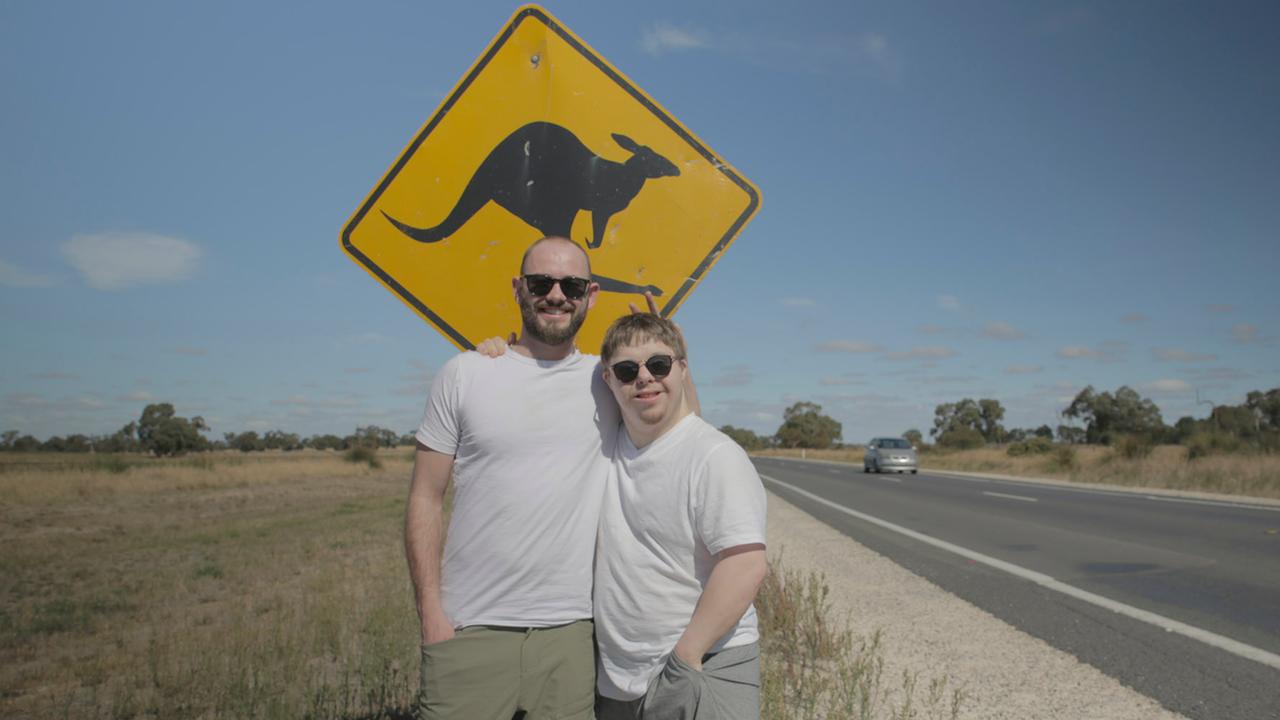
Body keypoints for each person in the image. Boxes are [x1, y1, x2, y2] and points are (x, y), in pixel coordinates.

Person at [404, 235, 618, 720]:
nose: (557, 294)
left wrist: (674, 350)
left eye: (572, 284)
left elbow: (676, 428)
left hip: (571, 634)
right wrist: (431, 613)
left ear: (591, 294)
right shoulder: (465, 373)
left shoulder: (609, 382)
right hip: (469, 628)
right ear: (519, 289)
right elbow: (424, 496)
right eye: (542, 282)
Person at [593, 313, 768, 720]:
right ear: (609, 380)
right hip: (619, 680)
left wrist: (686, 657)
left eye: (659, 365)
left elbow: (745, 564)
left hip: (705, 665)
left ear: (681, 369)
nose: (645, 378)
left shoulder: (715, 456)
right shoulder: (607, 447)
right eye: (626, 370)